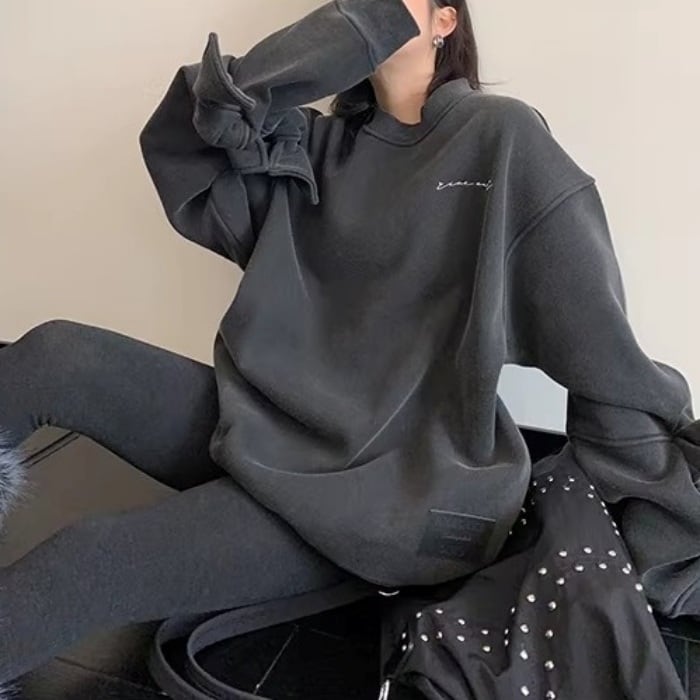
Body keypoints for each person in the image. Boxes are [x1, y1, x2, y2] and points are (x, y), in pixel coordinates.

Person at [1, 1, 698, 697]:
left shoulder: (501, 138)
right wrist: (349, 36)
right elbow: (193, 130)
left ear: (445, 22)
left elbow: (599, 342)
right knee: (54, 353)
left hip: (394, 492)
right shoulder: (311, 144)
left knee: (86, 561)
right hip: (271, 429)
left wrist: (653, 508)